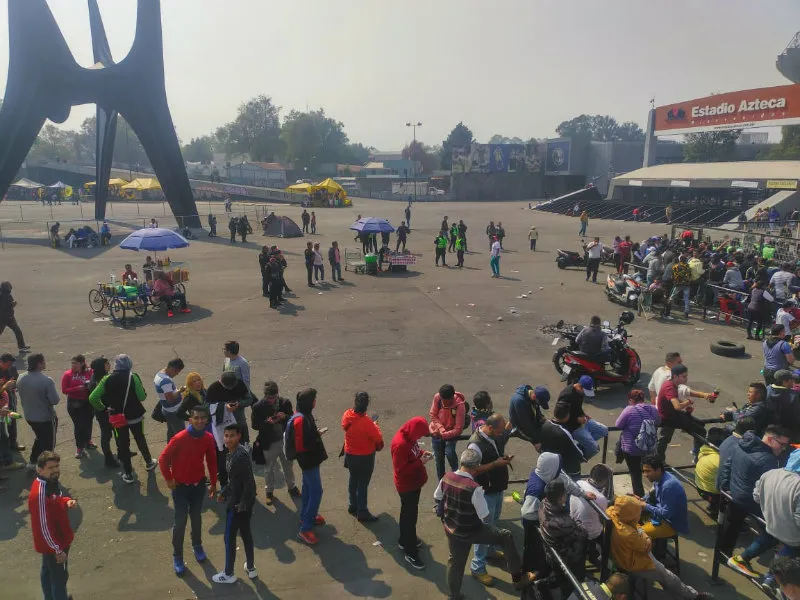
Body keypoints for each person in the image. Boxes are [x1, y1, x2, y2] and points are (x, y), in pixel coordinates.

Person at [434, 448, 535, 597]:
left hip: (452, 530)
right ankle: (517, 578)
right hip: (472, 530)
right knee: (505, 536)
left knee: (455, 563)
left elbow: (437, 497)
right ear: (475, 467)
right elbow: (485, 517)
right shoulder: (474, 489)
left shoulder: (446, 478)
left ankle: (454, 595)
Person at [606, 495, 713, 600]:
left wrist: (641, 532)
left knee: (663, 572)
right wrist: (646, 536)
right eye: (637, 512)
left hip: (623, 553)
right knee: (668, 576)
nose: (639, 514)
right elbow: (646, 546)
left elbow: (636, 526)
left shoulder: (612, 512)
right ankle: (693, 596)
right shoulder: (628, 534)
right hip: (632, 562)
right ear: (631, 515)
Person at [718, 425, 789, 574]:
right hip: (751, 500)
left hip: (735, 494)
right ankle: (744, 559)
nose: (783, 448)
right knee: (774, 533)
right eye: (782, 444)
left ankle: (722, 555)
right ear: (770, 439)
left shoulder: (742, 444)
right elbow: (770, 488)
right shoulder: (768, 459)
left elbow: (727, 465)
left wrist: (725, 488)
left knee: (731, 527)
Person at [158, 404, 218, 576]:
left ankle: (197, 545)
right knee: (180, 523)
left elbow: (212, 461)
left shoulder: (207, 438)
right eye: (196, 418)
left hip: (198, 486)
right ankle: (177, 555)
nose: (200, 421)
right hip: (180, 488)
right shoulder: (179, 438)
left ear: (207, 419)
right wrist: (168, 479)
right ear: (190, 419)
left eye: (203, 418)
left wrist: (213, 483)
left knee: (196, 518)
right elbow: (163, 459)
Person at [518, 452, 595, 577]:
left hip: (542, 516)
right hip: (532, 522)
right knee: (531, 547)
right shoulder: (537, 489)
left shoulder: (548, 474)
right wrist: (542, 518)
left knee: (540, 548)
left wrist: (582, 494)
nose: (560, 471)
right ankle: (528, 570)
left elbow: (565, 481)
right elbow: (527, 513)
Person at [89, 354, 158, 483]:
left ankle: (128, 473)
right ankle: (149, 462)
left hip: (117, 417)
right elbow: (142, 397)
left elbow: (93, 398)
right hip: (135, 415)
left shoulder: (106, 379)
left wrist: (104, 408)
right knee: (140, 437)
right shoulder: (133, 377)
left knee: (123, 443)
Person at [466, 413, 512, 585]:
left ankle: (490, 550)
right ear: (491, 428)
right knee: (484, 529)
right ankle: (478, 566)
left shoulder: (492, 436)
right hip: (486, 492)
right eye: (500, 431)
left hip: (496, 489)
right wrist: (495, 464)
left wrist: (501, 460)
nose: (502, 434)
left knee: (493, 523)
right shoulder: (475, 445)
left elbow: (495, 451)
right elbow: (472, 470)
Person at [29, 451, 78, 600]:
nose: (55, 470)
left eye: (57, 466)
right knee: (59, 578)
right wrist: (57, 550)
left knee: (47, 572)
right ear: (39, 469)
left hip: (51, 543)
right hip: (55, 543)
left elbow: (57, 500)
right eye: (51, 468)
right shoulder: (40, 494)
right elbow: (44, 526)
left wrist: (66, 501)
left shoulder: (49, 482)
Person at [212, 423, 258, 584]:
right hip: (242, 502)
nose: (228, 439)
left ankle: (228, 573)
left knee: (229, 537)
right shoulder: (233, 453)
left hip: (238, 505)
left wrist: (243, 504)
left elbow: (249, 483)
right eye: (226, 436)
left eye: (232, 435)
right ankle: (251, 568)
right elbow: (235, 480)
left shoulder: (239, 456)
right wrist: (224, 492)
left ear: (238, 436)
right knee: (246, 534)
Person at [284, 387, 328, 545]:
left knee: (308, 489)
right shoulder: (301, 419)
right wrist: (316, 436)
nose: (315, 402)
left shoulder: (301, 414)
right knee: (316, 491)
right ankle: (306, 528)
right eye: (314, 399)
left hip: (308, 461)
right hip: (308, 461)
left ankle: (306, 515)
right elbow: (302, 446)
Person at [754, 450, 800, 592]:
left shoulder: (769, 474)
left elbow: (756, 496)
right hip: (791, 534)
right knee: (792, 546)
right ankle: (773, 579)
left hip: (771, 525)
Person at [391, 416, 432, 570]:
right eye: (419, 435)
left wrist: (421, 453)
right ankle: (410, 552)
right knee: (410, 518)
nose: (420, 438)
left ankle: (404, 540)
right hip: (407, 486)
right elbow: (401, 470)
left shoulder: (409, 437)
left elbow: (413, 451)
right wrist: (420, 462)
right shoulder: (400, 444)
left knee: (407, 514)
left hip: (413, 484)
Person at [251, 381, 298, 504]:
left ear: (277, 394)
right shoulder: (258, 407)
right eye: (268, 398)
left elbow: (293, 421)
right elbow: (254, 426)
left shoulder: (285, 403)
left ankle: (292, 487)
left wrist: (285, 417)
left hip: (284, 441)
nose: (271, 400)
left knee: (288, 466)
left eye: (273, 397)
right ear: (264, 395)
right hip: (269, 442)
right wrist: (267, 422)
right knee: (269, 469)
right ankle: (269, 492)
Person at [538, 479, 588, 596]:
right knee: (569, 584)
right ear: (561, 498)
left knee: (558, 575)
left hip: (550, 550)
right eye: (565, 492)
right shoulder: (562, 523)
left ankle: (549, 582)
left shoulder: (543, 503)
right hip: (564, 556)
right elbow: (583, 534)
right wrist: (577, 522)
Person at [341, 391, 383, 522]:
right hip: (365, 456)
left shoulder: (347, 415)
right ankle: (362, 511)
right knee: (363, 484)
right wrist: (376, 425)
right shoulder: (367, 423)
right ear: (366, 405)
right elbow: (378, 439)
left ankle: (352, 505)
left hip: (350, 454)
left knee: (353, 478)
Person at [655, 364, 710, 461]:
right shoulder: (670, 388)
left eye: (686, 376)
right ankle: (698, 456)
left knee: (700, 424)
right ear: (675, 376)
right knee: (701, 430)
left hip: (671, 415)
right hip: (669, 418)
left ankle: (659, 460)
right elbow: (677, 406)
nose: (686, 379)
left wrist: (686, 405)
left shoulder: (671, 384)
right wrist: (688, 402)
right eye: (683, 376)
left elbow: (674, 401)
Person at [18, 353, 60, 469]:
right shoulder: (47, 381)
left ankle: (32, 461)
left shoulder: (21, 377)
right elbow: (55, 400)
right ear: (39, 363)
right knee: (49, 446)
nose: (45, 363)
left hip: (30, 417)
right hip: (45, 418)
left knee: (39, 438)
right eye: (43, 361)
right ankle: (48, 470)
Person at [616, 389, 660, 497]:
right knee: (652, 472)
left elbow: (618, 425)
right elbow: (658, 422)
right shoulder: (653, 409)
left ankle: (639, 501)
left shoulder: (629, 410)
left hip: (632, 449)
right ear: (643, 399)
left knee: (636, 475)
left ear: (631, 400)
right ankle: (657, 495)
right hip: (649, 449)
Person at [557, 375, 608, 459]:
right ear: (579, 387)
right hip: (573, 426)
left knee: (604, 430)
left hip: (582, 421)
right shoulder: (566, 396)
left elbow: (577, 407)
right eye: (585, 391)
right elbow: (560, 416)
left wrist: (583, 414)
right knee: (594, 449)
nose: (585, 394)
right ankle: (579, 459)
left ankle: (580, 446)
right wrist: (577, 419)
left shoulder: (579, 392)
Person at [641, 455, 689, 540]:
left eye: (648, 471)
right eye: (644, 471)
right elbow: (653, 490)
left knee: (638, 534)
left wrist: (645, 506)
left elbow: (665, 514)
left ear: (658, 470)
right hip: (660, 514)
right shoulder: (659, 477)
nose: (645, 475)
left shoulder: (668, 486)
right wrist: (643, 499)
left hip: (671, 524)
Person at [570, 464, 612, 553]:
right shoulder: (600, 498)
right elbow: (603, 519)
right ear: (605, 480)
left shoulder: (578, 483)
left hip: (574, 524)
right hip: (591, 533)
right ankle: (603, 558)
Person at [429, 384, 466, 480]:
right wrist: (441, 429)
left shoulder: (460, 406)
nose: (443, 403)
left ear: (452, 398)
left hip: (451, 434)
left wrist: (445, 434)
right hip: (437, 432)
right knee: (439, 459)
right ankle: (441, 482)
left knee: (450, 453)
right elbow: (433, 414)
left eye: (446, 401)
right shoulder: (437, 397)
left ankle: (456, 476)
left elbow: (458, 429)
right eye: (442, 400)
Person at [60, 355, 95, 459]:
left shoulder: (90, 372)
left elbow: (95, 382)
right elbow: (64, 390)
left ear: (83, 363)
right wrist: (77, 388)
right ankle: (79, 448)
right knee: (79, 425)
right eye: (72, 363)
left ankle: (88, 441)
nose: (73, 366)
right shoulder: (68, 374)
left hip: (88, 401)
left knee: (89, 422)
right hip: (74, 403)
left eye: (76, 363)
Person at [87, 357, 118, 468]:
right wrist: (105, 408)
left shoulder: (95, 377)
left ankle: (122, 453)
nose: (109, 365)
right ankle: (109, 460)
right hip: (106, 413)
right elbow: (93, 398)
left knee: (110, 434)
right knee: (108, 435)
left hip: (102, 412)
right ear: (102, 366)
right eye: (107, 363)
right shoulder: (102, 380)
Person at [540, 402, 585, 477]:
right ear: (567, 416)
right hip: (568, 467)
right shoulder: (564, 432)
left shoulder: (545, 425)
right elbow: (577, 451)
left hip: (552, 466)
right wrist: (582, 456)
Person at [694, 427, 730, 519]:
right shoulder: (720, 458)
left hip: (699, 486)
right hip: (712, 493)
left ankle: (714, 506)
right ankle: (720, 512)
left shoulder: (704, 448)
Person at [154, 358, 186, 441]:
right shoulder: (166, 381)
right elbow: (170, 399)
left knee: (171, 433)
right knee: (181, 435)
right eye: (177, 371)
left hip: (167, 410)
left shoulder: (159, 374)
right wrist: (180, 391)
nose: (177, 374)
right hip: (173, 411)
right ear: (172, 369)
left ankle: (170, 450)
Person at [766, 370, 800, 441]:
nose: (793, 382)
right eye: (791, 380)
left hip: (769, 428)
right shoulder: (792, 395)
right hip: (787, 430)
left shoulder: (767, 389)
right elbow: (796, 415)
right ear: (784, 382)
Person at [0, 353, 22, 454]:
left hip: (10, 400)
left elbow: (16, 379)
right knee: (2, 428)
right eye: (8, 365)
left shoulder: (11, 368)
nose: (10, 367)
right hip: (1, 404)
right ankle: (4, 450)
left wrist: (15, 384)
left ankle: (13, 443)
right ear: (1, 362)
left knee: (12, 422)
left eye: (11, 364)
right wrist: (5, 387)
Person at [0, 281, 30, 352]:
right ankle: (22, 347)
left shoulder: (5, 294)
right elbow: (6, 307)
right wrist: (13, 304)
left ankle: (22, 347)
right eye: (10, 286)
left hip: (8, 317)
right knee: (17, 331)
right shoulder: (5, 295)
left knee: (17, 331)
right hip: (4, 319)